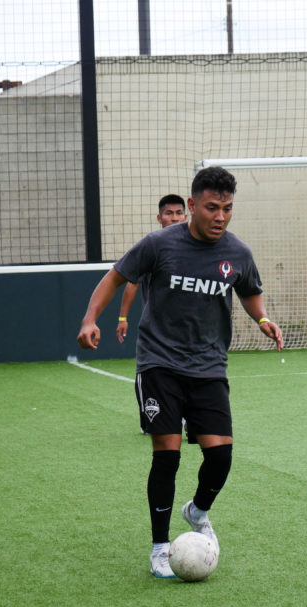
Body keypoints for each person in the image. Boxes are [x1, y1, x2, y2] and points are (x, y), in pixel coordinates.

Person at [77, 166, 283, 578]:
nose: (220, 216)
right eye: (212, 208)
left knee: (220, 456)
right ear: (192, 205)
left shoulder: (238, 253)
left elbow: (250, 291)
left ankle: (197, 511)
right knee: (167, 455)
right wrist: (89, 319)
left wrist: (262, 318)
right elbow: (115, 278)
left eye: (227, 208)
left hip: (209, 367)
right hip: (159, 364)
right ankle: (159, 548)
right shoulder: (159, 244)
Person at [116, 194, 186, 343]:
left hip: (187, 329)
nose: (174, 218)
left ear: (185, 217)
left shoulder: (196, 249)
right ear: (159, 218)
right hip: (156, 330)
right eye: (169, 213)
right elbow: (132, 283)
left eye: (179, 213)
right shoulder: (151, 248)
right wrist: (123, 318)